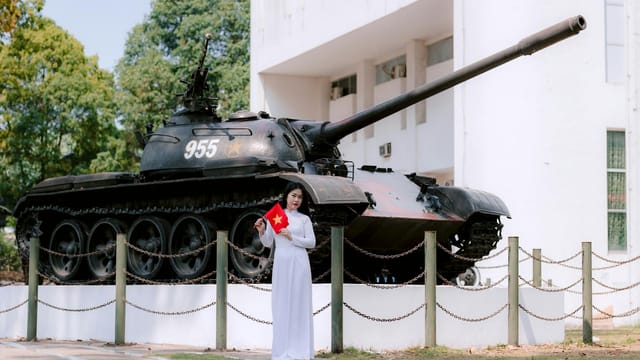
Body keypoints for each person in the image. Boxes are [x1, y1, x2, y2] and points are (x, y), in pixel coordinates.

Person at [254, 182, 316, 360]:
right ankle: (283, 350)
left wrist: (292, 236)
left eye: (299, 197)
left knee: (299, 305)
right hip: (282, 264)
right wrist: (262, 230)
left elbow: (311, 242)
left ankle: (300, 349)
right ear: (286, 196)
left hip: (299, 263)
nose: (296, 200)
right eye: (293, 195)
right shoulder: (276, 215)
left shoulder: (304, 219)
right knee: (281, 305)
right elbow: (268, 242)